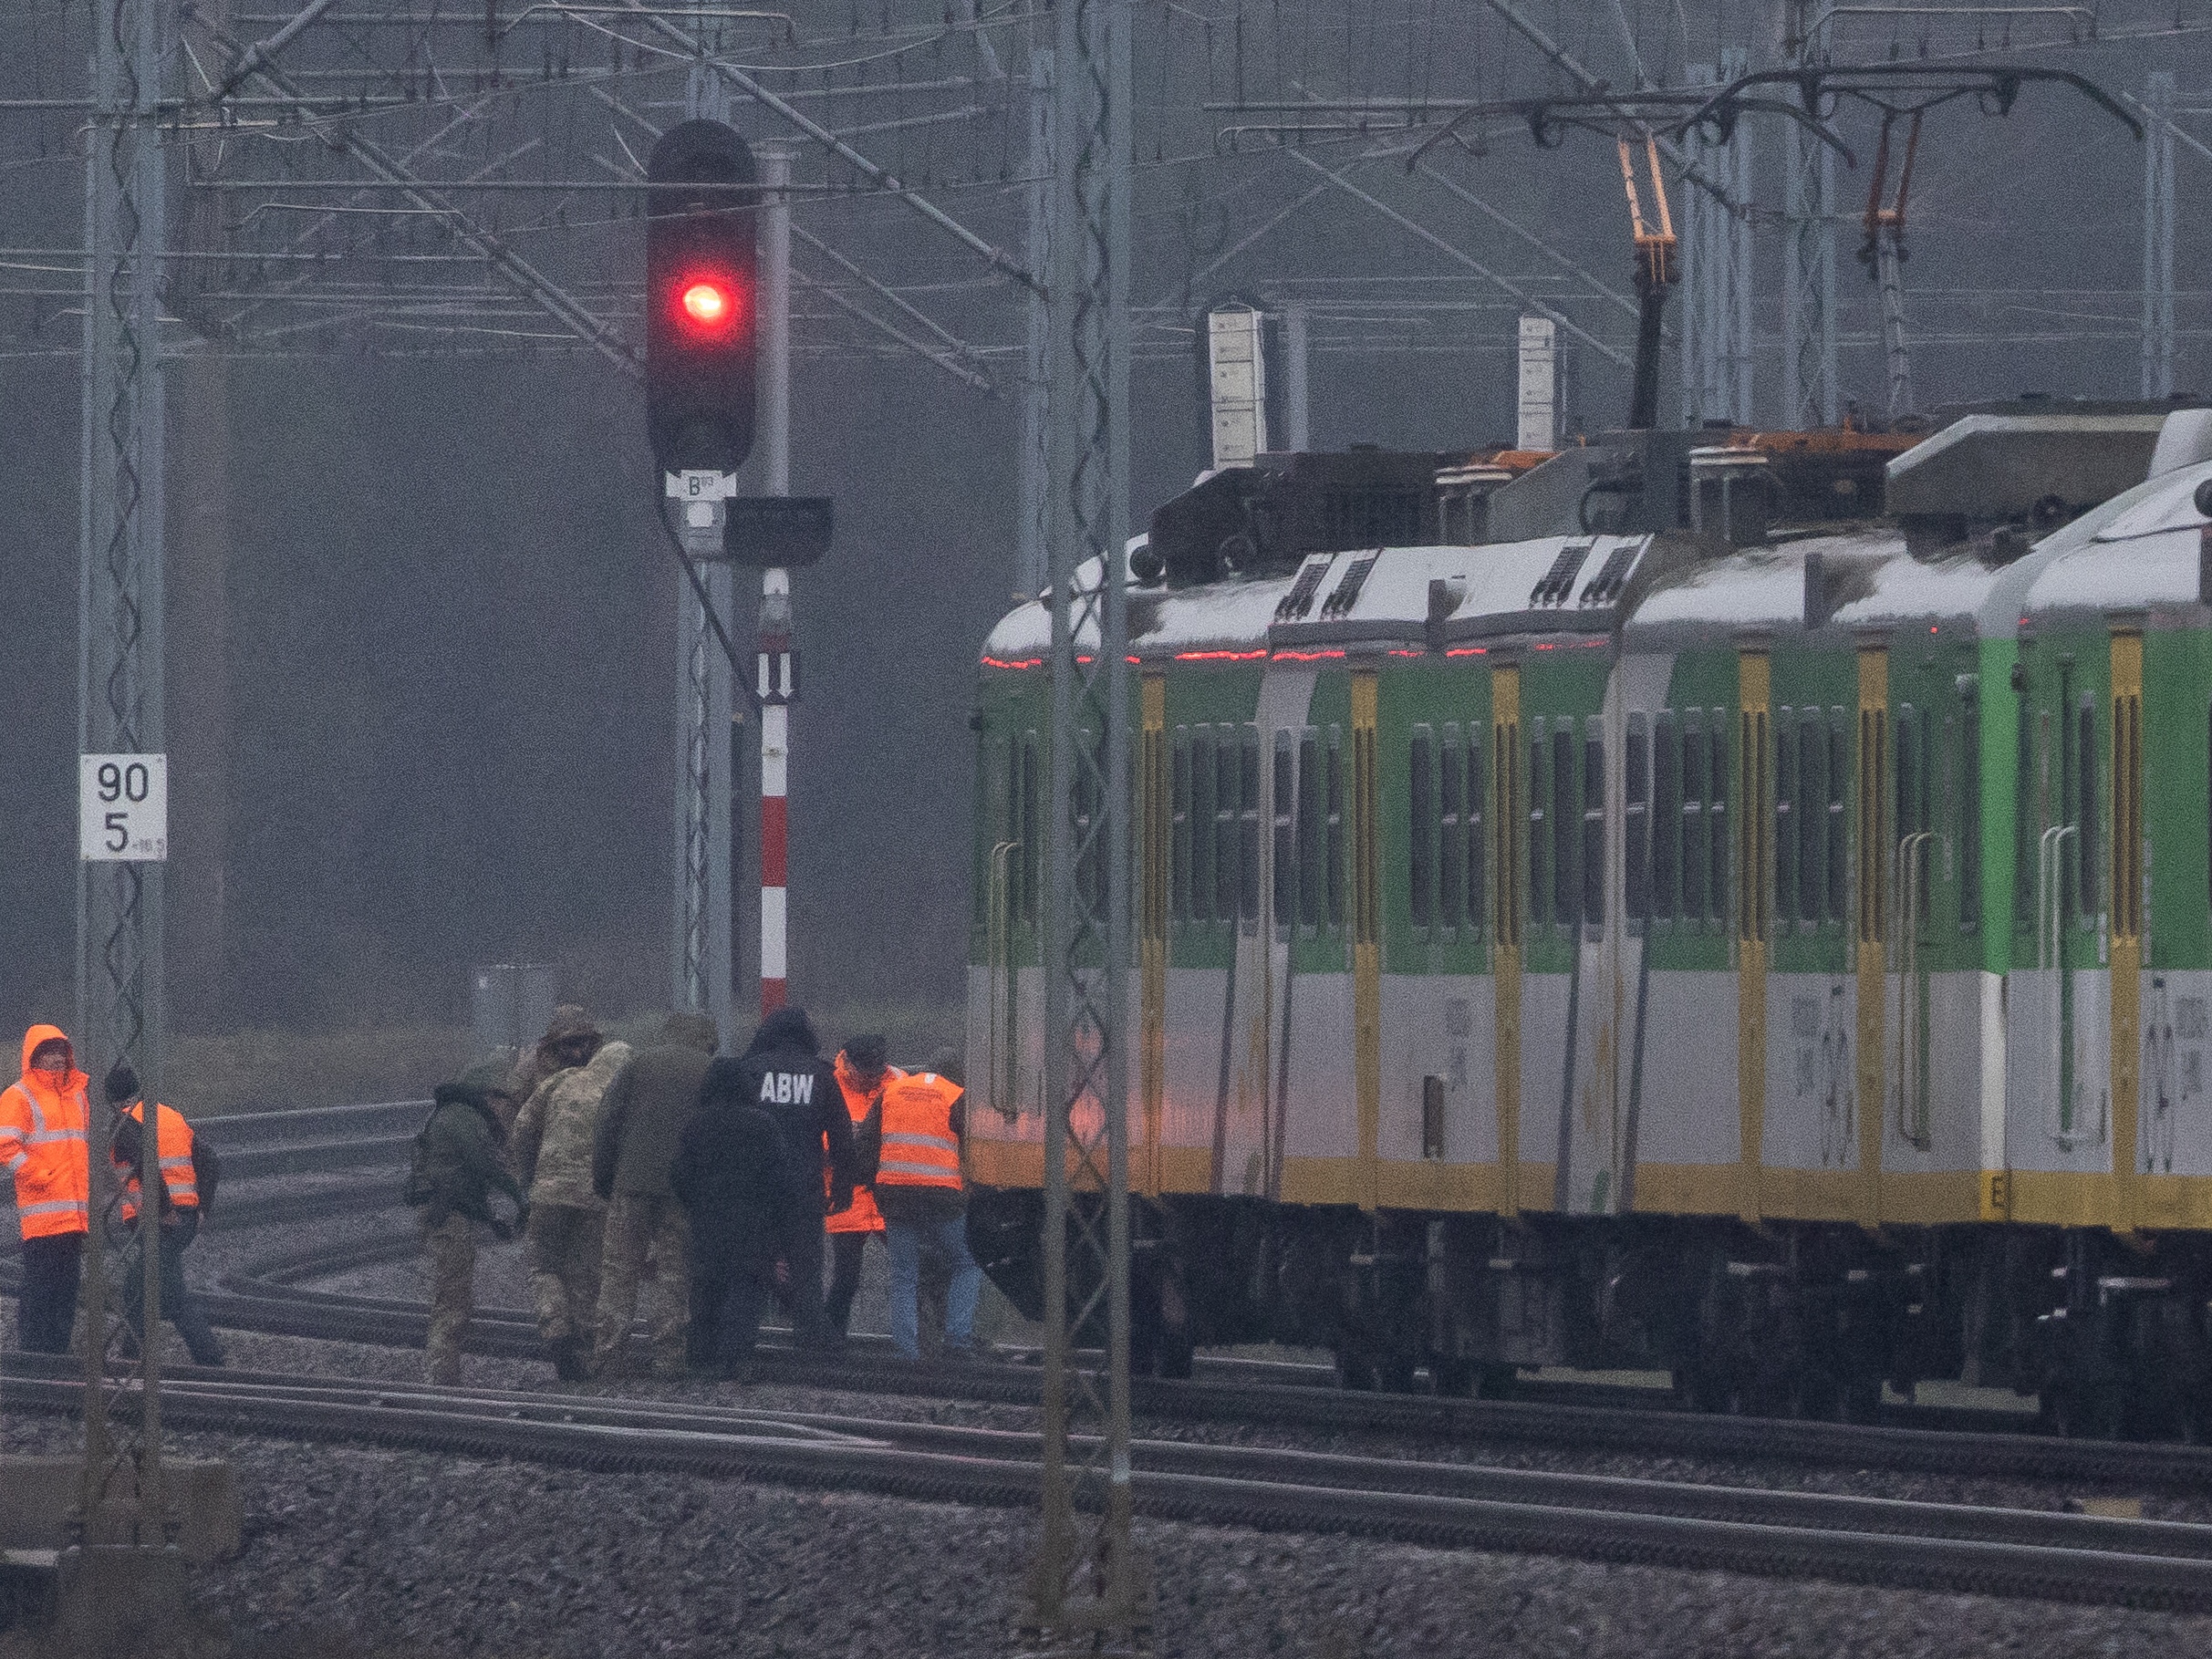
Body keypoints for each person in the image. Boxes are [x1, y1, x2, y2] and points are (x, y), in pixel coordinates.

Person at [670, 1007, 855, 1371]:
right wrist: (844, 1188)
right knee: (805, 1265)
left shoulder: (750, 1069)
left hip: (750, 1189)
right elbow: (841, 1138)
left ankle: (722, 1346)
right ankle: (811, 1336)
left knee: (744, 1267)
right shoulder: (821, 1076)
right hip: (802, 1188)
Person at [589, 1011, 718, 1378]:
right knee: (673, 1274)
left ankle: (608, 1357)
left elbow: (607, 1122)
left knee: (619, 1273)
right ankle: (669, 1358)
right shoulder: (709, 1069)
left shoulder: (637, 1064)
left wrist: (604, 1179)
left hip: (630, 1185)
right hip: (682, 1190)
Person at [513, 1032, 629, 1381]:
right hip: (594, 1198)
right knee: (585, 1272)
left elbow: (521, 1129)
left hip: (548, 1194)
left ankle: (555, 1329)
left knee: (544, 1266)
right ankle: (583, 1351)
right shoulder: (619, 1096)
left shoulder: (562, 1080)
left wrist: (531, 1175)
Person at [404, 1060, 527, 1385]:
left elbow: (464, 1176)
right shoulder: (463, 1116)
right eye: (500, 1099)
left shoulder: (451, 1114)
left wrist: (491, 1218)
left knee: (453, 1294)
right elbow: (485, 1165)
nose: (504, 1107)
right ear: (485, 1095)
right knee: (453, 1297)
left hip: (448, 1214)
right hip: (448, 1217)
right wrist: (519, 1195)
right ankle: (440, 1375)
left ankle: (443, 1372)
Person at [105, 1063, 225, 1368]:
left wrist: (164, 1210)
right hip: (183, 1215)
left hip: (160, 1219)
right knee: (150, 1289)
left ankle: (207, 1359)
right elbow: (210, 1160)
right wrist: (202, 1209)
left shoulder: (124, 1125)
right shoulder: (168, 1115)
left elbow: (147, 1166)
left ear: (111, 1099)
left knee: (153, 1291)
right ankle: (134, 1359)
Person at [876, 1049, 985, 1363]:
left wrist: (879, 1187)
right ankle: (957, 1339)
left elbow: (868, 1146)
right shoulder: (956, 1095)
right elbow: (974, 1149)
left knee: (903, 1275)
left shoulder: (892, 1091)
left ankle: (906, 1352)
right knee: (966, 1263)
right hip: (941, 1196)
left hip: (895, 1194)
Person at [1, 1026, 90, 1354]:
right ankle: (34, 1355)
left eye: (59, 1050)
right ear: (34, 1056)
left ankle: (55, 1357)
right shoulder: (19, 1095)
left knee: (66, 1292)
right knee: (40, 1289)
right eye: (48, 1051)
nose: (55, 1057)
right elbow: (5, 1146)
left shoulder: (78, 1094)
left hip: (74, 1215)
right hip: (42, 1215)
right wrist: (41, 1174)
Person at [825, 1034, 895, 1348]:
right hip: (846, 1197)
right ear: (847, 1063)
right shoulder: (828, 1084)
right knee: (846, 1279)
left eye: (875, 1072)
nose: (870, 1079)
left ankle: (923, 1344)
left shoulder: (897, 1083)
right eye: (864, 1072)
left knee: (915, 1272)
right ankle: (831, 1340)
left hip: (885, 1194)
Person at [501, 1005, 600, 1135]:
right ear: (555, 1043)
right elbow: (509, 1113)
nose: (578, 1053)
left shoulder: (600, 1060)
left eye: (582, 1043)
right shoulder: (535, 1066)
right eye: (570, 1044)